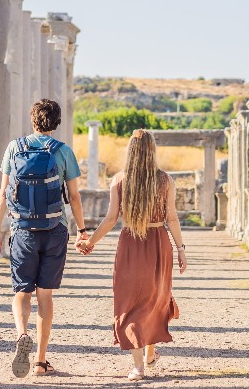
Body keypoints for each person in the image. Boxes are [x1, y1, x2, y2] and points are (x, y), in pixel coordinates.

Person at [0, 99, 89, 378]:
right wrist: (82, 230)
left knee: (21, 292)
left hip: (22, 230)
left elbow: (3, 194)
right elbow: (75, 197)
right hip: (55, 229)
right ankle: (41, 361)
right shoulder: (63, 151)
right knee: (45, 295)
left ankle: (21, 335)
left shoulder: (14, 148)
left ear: (32, 120)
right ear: (56, 123)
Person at [76, 129, 188, 381]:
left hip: (131, 244)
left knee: (131, 303)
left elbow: (111, 218)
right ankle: (148, 353)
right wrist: (181, 249)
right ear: (152, 151)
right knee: (155, 299)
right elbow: (171, 218)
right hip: (159, 243)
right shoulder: (165, 180)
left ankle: (140, 365)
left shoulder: (119, 180)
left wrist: (88, 242)